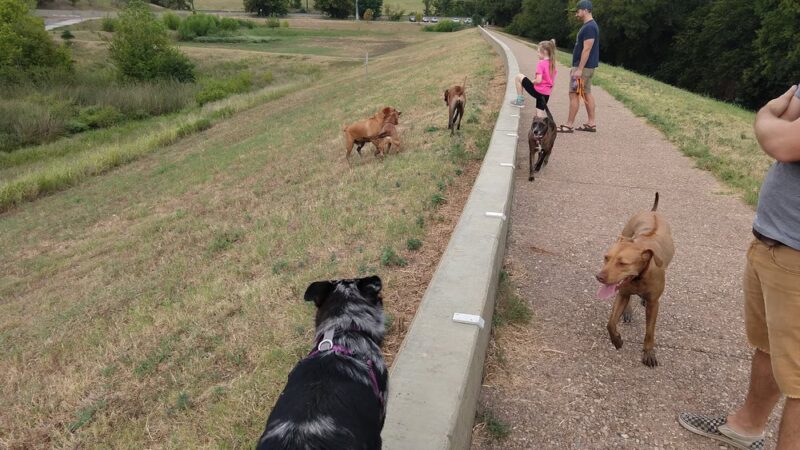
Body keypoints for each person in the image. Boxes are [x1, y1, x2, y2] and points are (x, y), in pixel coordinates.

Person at [679, 84, 800, 450]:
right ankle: (746, 427)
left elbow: (782, 140)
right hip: (773, 242)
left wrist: (763, 115)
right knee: (767, 346)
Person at [558, 0, 599, 133]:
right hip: (587, 68)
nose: (576, 14)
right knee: (586, 93)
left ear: (586, 10)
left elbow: (587, 49)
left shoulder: (589, 27)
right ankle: (591, 123)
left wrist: (579, 69)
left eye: (578, 11)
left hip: (584, 68)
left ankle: (569, 125)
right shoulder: (590, 26)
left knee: (573, 93)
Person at [510, 39, 558, 118]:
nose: (537, 54)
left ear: (544, 52)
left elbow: (538, 80)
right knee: (538, 115)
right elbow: (553, 82)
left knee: (519, 77)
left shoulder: (541, 64)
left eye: (538, 51)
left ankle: (520, 101)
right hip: (546, 94)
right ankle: (540, 129)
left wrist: (533, 81)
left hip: (537, 91)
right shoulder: (553, 65)